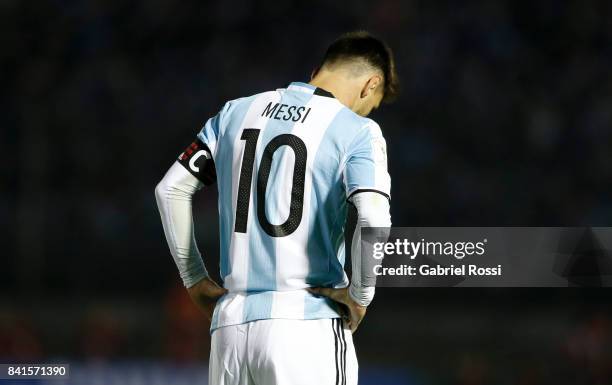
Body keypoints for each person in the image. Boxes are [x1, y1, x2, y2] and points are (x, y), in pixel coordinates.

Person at [155, 30, 397, 385]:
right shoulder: (359, 131)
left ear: (317, 70)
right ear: (370, 85)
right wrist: (360, 295)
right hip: (305, 324)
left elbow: (169, 189)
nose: (365, 111)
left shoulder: (235, 113)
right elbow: (374, 216)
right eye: (370, 104)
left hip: (230, 331)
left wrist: (194, 278)